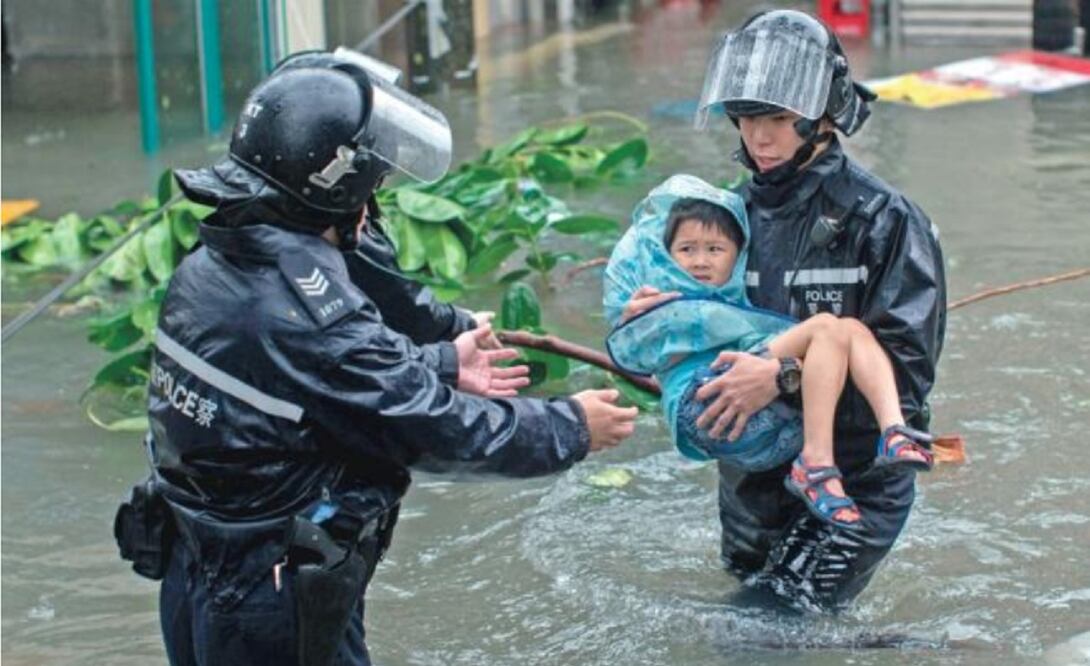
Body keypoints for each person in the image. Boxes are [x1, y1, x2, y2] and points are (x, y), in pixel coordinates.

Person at [114, 51, 638, 666]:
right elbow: (428, 425)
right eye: (375, 183)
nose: (377, 198)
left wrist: (444, 359)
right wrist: (570, 427)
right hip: (271, 596)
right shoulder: (307, 312)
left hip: (201, 565)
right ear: (339, 189)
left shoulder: (215, 263)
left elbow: (311, 385)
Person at [620, 10, 946, 612]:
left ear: (823, 114)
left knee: (755, 632)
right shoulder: (725, 221)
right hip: (749, 481)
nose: (758, 141)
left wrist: (780, 378)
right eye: (744, 120)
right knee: (757, 618)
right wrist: (654, 320)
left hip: (853, 482)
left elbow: (903, 383)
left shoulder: (885, 221)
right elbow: (693, 334)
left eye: (775, 120)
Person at [604, 178, 933, 532]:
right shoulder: (664, 299)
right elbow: (636, 349)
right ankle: (816, 462)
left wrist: (782, 372)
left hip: (767, 419)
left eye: (715, 249)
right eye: (687, 249)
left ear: (739, 255)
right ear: (669, 255)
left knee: (850, 329)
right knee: (825, 326)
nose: (700, 260)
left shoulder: (738, 297)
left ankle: (896, 431)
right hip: (704, 404)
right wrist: (632, 319)